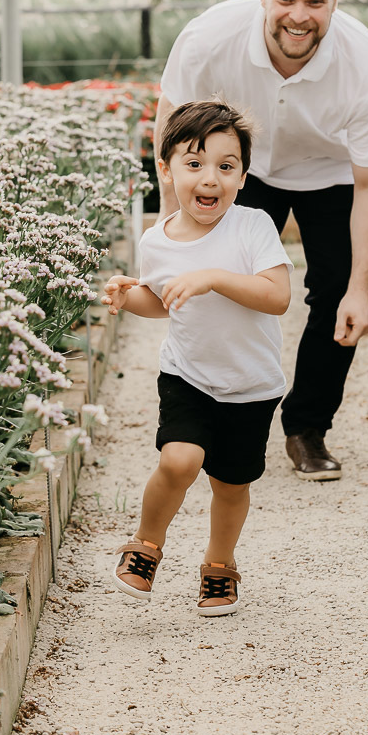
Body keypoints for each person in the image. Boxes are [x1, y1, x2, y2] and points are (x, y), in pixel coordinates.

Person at [154, 0, 368, 482]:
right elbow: (170, 130)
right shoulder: (208, 38)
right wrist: (174, 226)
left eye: (316, 2)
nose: (299, 16)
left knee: (337, 291)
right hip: (243, 169)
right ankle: (216, 412)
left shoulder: (365, 64)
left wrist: (362, 288)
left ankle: (307, 428)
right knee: (227, 283)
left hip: (330, 172)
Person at [101, 100, 292, 616]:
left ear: (243, 177)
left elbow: (277, 296)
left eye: (226, 166)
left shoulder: (252, 226)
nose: (210, 178)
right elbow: (162, 301)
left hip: (251, 384)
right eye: (194, 163)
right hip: (188, 374)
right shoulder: (157, 240)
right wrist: (130, 297)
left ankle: (219, 565)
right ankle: (146, 544)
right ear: (166, 171)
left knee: (231, 484)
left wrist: (213, 278)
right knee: (179, 459)